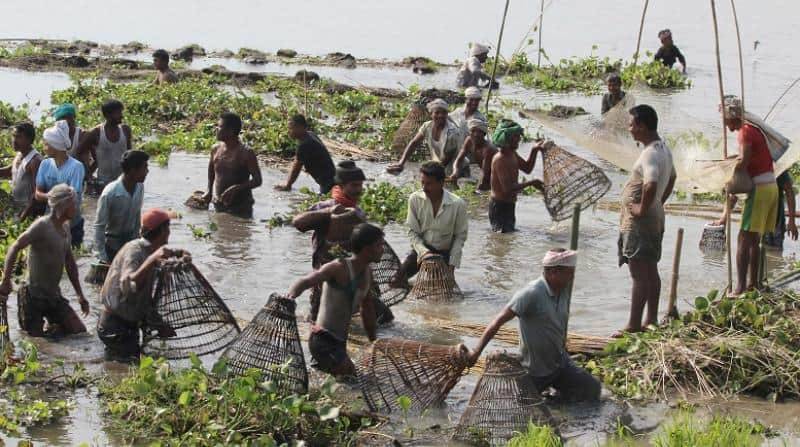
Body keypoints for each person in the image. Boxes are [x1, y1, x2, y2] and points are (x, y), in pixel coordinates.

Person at [467, 249, 601, 402]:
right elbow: (497, 321)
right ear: (553, 272)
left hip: (559, 365)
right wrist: (476, 353)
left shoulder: (564, 289)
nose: (573, 277)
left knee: (593, 389)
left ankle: (556, 399)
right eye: (569, 273)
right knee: (524, 405)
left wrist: (563, 347)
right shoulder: (531, 293)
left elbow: (558, 323)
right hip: (535, 371)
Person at [292, 160, 394, 324]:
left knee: (385, 318)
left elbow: (364, 251)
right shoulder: (325, 207)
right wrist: (328, 212)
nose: (358, 190)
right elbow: (297, 223)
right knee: (317, 322)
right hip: (327, 279)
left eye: (360, 185)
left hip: (353, 275)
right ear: (341, 185)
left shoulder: (358, 213)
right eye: (354, 185)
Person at [287, 223, 383, 377]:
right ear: (367, 249)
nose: (383, 249)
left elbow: (368, 309)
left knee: (327, 380)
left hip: (340, 343)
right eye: (379, 245)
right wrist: (291, 296)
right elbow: (306, 281)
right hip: (323, 339)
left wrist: (373, 343)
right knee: (352, 379)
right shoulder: (338, 267)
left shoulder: (367, 274)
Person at [0, 185, 90, 337]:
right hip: (32, 296)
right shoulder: (42, 226)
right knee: (35, 340)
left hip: (53, 295)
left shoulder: (65, 228)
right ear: (63, 205)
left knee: (79, 332)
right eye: (73, 203)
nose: (76, 207)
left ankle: (54, 331)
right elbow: (15, 246)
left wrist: (80, 295)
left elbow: (70, 263)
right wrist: (6, 280)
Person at [617, 105, 676, 334]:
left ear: (642, 126)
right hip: (655, 216)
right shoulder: (665, 150)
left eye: (631, 125)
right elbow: (672, 177)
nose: (630, 129)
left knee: (639, 274)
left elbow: (651, 182)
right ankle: (651, 319)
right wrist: (658, 203)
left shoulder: (650, 152)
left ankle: (633, 325)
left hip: (642, 221)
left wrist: (642, 208)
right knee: (651, 270)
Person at [97, 208, 182, 358]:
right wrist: (152, 260)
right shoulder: (135, 250)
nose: (169, 232)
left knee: (124, 366)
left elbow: (144, 298)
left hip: (128, 323)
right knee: (128, 368)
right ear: (162, 230)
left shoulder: (150, 251)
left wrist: (158, 324)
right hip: (114, 325)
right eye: (168, 227)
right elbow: (128, 284)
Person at [720, 96, 778, 294]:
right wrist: (731, 160)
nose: (724, 123)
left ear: (731, 117)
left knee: (743, 239)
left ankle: (740, 288)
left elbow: (743, 162)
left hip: (760, 189)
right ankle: (754, 285)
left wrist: (727, 170)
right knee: (754, 239)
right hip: (771, 187)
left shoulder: (745, 131)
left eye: (725, 119)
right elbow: (749, 157)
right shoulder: (752, 129)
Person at [399, 161, 468, 279]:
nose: (424, 188)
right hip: (421, 249)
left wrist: (451, 266)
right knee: (396, 279)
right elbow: (412, 231)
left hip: (443, 254)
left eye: (429, 184)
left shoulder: (458, 204)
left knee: (440, 292)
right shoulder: (415, 199)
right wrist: (424, 252)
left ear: (441, 183)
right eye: (423, 183)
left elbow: (460, 237)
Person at [713, 171, 798, 251]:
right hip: (753, 214)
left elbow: (789, 191)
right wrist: (724, 218)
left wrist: (792, 221)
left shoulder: (777, 166)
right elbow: (733, 195)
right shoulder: (745, 166)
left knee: (773, 249)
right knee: (750, 246)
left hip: (774, 215)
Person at [35, 120, 86, 247]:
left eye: (46, 144)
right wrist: (50, 196)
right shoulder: (45, 164)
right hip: (50, 221)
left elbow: (73, 198)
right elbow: (37, 193)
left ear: (55, 145)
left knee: (72, 257)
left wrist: (52, 197)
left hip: (72, 223)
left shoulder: (76, 167)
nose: (44, 147)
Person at [201, 112, 262, 216]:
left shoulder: (246, 153)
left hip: (241, 207)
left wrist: (236, 188)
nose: (216, 129)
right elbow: (212, 169)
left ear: (230, 131)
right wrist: (209, 190)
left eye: (219, 126)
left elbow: (257, 180)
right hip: (219, 203)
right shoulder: (215, 149)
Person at [94, 150, 149, 265]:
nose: (147, 171)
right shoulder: (110, 193)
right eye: (144, 168)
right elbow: (99, 226)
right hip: (111, 246)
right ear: (133, 170)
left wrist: (137, 245)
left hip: (129, 244)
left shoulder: (140, 187)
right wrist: (102, 256)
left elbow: (137, 216)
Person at [489, 120, 545, 233]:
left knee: (506, 239)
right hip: (500, 206)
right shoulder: (500, 159)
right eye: (516, 136)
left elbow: (527, 168)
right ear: (508, 139)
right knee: (501, 240)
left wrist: (534, 151)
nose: (519, 139)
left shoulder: (512, 154)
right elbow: (507, 189)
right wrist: (531, 183)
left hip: (509, 205)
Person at [387, 99, 466, 176]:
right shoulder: (427, 126)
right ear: (431, 114)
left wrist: (431, 173)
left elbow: (447, 158)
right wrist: (401, 162)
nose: (440, 115)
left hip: (457, 169)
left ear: (447, 114)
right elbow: (414, 143)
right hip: (441, 166)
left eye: (444, 113)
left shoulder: (452, 132)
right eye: (437, 112)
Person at [77, 99, 132, 188]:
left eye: (121, 112)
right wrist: (88, 175)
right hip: (103, 183)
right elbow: (79, 152)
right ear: (108, 115)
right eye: (118, 113)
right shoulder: (96, 133)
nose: (122, 116)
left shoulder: (125, 130)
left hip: (123, 180)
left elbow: (130, 155)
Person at [275, 114, 335, 194]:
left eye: (291, 128)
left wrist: (288, 185)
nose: (288, 131)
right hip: (332, 180)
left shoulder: (305, 144)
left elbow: (296, 167)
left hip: (328, 184)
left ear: (300, 127)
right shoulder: (310, 135)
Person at [0, 122, 43, 219]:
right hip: (16, 208)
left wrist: (22, 217)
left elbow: (36, 194)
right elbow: (10, 170)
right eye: (13, 136)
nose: (14, 141)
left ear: (29, 140)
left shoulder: (35, 161)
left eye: (18, 137)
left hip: (29, 212)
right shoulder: (20, 154)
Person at [448, 118, 496, 190]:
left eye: (479, 132)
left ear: (484, 134)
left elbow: (485, 174)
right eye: (473, 131)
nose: (476, 134)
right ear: (469, 132)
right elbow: (458, 160)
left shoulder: (488, 149)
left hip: (498, 177)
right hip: (487, 175)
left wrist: (477, 189)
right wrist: (455, 172)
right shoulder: (469, 140)